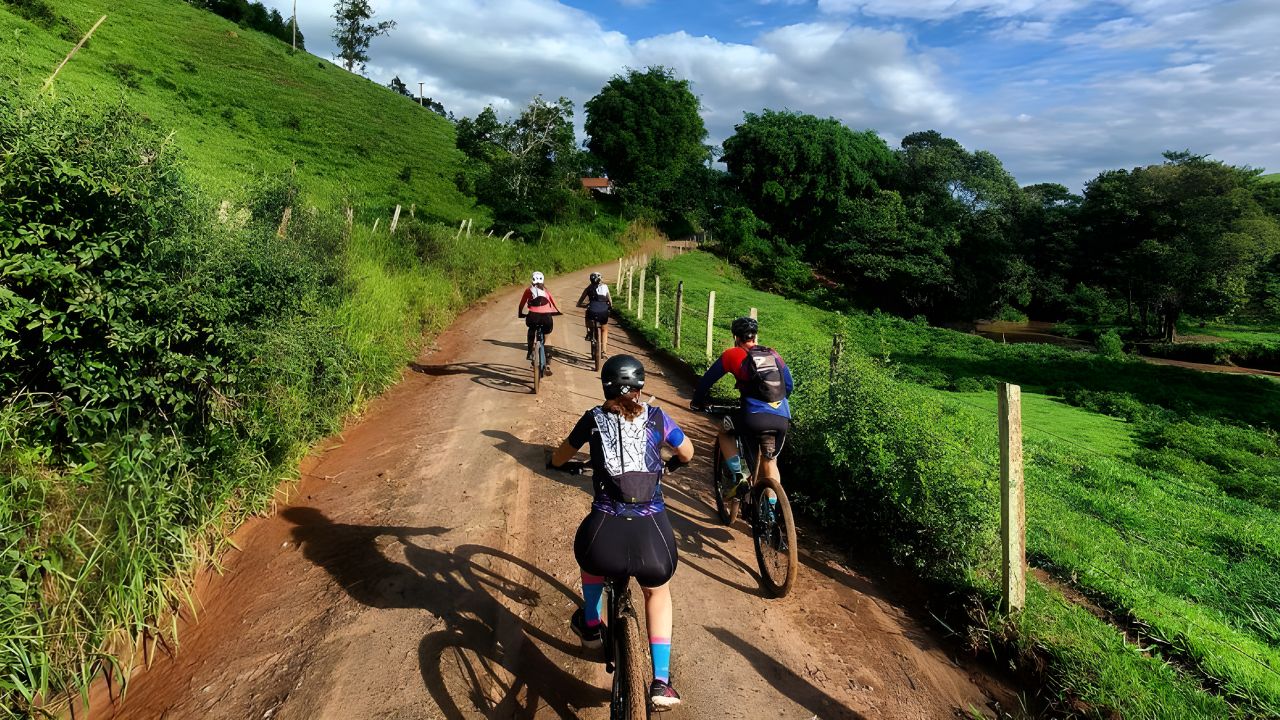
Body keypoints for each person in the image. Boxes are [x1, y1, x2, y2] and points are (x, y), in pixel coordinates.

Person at [549, 355, 694, 707]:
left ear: (606, 388)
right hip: (652, 538)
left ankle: (591, 624)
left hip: (605, 535)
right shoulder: (658, 417)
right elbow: (688, 452)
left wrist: (566, 464)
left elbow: (558, 458)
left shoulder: (593, 419)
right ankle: (660, 681)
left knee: (590, 559)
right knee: (656, 592)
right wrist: (667, 467)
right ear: (641, 388)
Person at [690, 316, 793, 501]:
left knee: (724, 431)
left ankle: (739, 476)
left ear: (736, 337)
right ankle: (770, 512)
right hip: (781, 418)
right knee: (770, 461)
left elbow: (706, 381)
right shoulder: (773, 354)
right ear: (755, 336)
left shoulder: (732, 354)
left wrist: (697, 402)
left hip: (753, 418)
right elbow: (789, 385)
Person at [517, 271, 562, 375]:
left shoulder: (528, 290)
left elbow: (521, 304)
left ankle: (530, 352)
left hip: (533, 317)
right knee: (547, 336)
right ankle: (548, 360)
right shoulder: (546, 291)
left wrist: (520, 314)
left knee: (531, 330)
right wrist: (558, 312)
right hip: (546, 317)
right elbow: (553, 303)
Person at [576, 271, 612, 352]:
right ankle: (604, 351)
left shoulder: (588, 288)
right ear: (600, 279)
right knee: (604, 329)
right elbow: (610, 301)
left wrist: (583, 305)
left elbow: (579, 303)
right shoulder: (605, 287)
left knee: (587, 315)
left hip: (592, 311)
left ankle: (589, 331)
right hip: (603, 312)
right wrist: (609, 307)